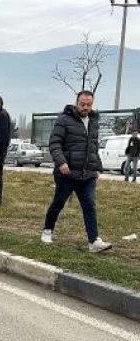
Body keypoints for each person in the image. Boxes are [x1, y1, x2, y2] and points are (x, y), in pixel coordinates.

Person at [41, 91, 112, 253]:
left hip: (87, 174)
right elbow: (54, 143)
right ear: (76, 103)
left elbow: (92, 147)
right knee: (58, 203)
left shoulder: (94, 121)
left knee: (89, 205)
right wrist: (61, 162)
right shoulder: (64, 120)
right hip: (67, 173)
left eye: (89, 104)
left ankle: (93, 241)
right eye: (82, 104)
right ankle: (47, 231)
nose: (85, 107)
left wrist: (96, 167)